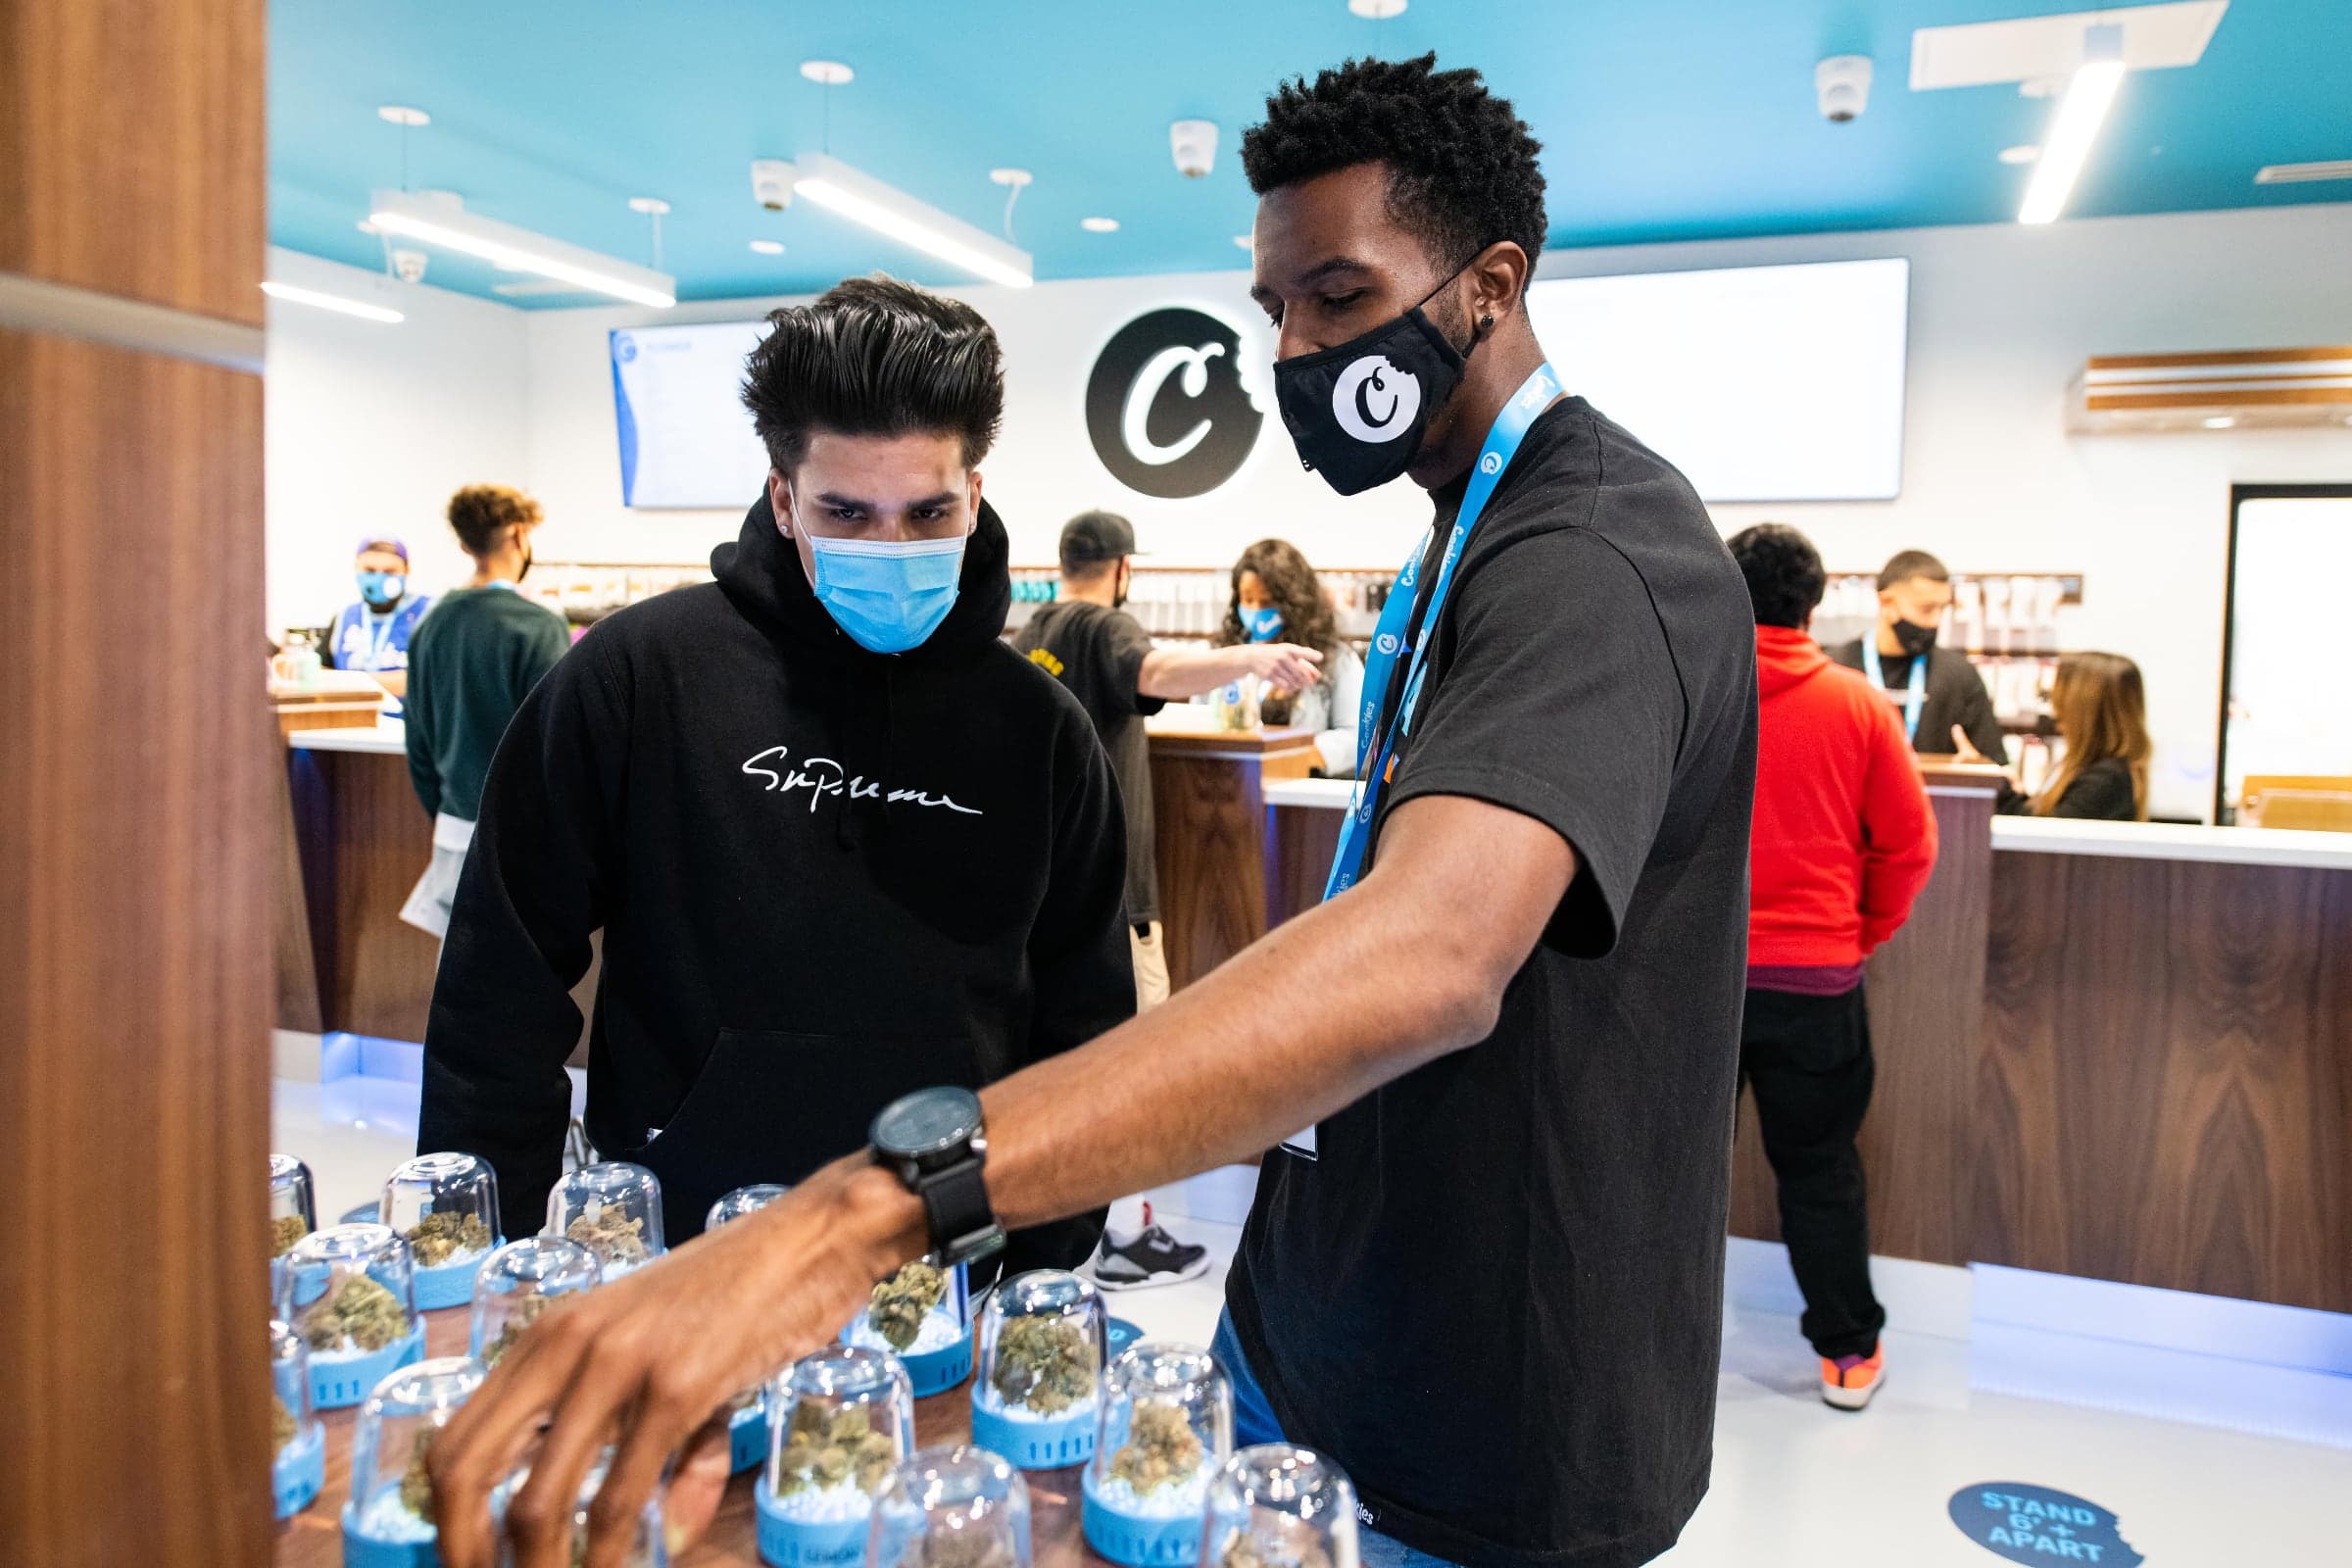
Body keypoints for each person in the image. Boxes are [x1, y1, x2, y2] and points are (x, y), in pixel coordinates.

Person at [429, 55, 1756, 1568]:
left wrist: (865, 1212)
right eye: (1276, 311)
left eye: (1338, 294)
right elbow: (504, 983)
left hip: (1482, 1405)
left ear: (1490, 282)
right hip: (1326, 1328)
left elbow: (1428, 956)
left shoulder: (1591, 557)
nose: (1299, 349)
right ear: (783, 498)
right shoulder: (1464, 543)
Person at [415, 278, 1133, 1277]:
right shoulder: (636, 677)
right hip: (678, 1247)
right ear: (783, 497)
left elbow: (1087, 1031)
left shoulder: (1041, 732)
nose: (892, 547)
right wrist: (490, 1251)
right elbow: (499, 978)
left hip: (942, 1259)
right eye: (848, 510)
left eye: (927, 512)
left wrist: (1040, 1263)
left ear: (975, 495)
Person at [1013, 511, 1321, 1292]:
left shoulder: (1037, 628)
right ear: (1122, 570)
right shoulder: (1107, 628)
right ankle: (1127, 1239)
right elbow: (1158, 675)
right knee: (1138, 1071)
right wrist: (1253, 657)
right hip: (1116, 902)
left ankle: (1070, 1230)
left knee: (1061, 1071)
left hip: (1042, 898)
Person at [1728, 523, 1937, 1412]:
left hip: (1704, 985)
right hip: (1818, 980)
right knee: (1820, 1168)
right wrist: (1863, 934)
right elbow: (1910, 847)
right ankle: (1849, 1354)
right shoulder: (1859, 705)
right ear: (1815, 606)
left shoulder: (1696, 691)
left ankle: (1642, 1343)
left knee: (1671, 1169)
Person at [399, 487, 569, 938]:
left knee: (461, 975)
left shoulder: (431, 623)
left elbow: (416, 741)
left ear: (464, 542)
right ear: (518, 533)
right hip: (520, 835)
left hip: (454, 829)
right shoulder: (536, 623)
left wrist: (447, 810)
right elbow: (553, 739)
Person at [1828, 549, 2008, 763]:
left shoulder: (1959, 676)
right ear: (1886, 603)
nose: (1936, 621)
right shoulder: (1837, 669)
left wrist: (1977, 769)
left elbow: (1996, 769)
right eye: (1926, 609)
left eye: (1942, 609)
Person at [1216, 537, 1366, 773]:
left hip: (1299, 791)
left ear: (1293, 602)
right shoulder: (1226, 655)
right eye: (1247, 599)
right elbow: (1202, 719)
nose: (1255, 610)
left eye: (1266, 601)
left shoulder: (1336, 660)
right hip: (1228, 783)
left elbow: (1357, 736)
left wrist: (1292, 755)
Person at [1958, 650, 2150, 820]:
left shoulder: (2105, 779)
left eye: (2060, 698)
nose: (2055, 709)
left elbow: (2046, 833)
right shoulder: (2101, 772)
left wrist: (1996, 785)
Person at [324, 536, 431, 699]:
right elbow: (320, 673)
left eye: (390, 572)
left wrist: (349, 683)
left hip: (406, 721)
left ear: (406, 571)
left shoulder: (428, 614)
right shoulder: (344, 617)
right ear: (356, 569)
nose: (379, 578)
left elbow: (431, 679)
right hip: (352, 720)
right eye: (370, 571)